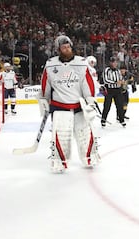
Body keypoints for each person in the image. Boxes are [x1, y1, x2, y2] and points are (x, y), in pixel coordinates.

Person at [39, 35, 101, 173]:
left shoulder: (81, 63)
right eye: (63, 47)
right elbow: (45, 83)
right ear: (58, 49)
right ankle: (60, 162)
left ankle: (89, 157)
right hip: (59, 104)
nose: (66, 49)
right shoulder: (51, 64)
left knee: (85, 133)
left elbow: (87, 82)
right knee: (61, 134)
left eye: (68, 47)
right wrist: (44, 98)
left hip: (79, 104)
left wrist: (90, 98)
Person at [100, 57, 126, 127]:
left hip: (118, 90)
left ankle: (121, 119)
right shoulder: (106, 70)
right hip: (109, 90)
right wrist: (115, 82)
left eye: (115, 62)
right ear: (110, 63)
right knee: (107, 106)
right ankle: (103, 120)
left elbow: (121, 78)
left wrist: (121, 81)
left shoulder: (118, 71)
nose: (114, 63)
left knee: (120, 105)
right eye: (113, 62)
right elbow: (106, 80)